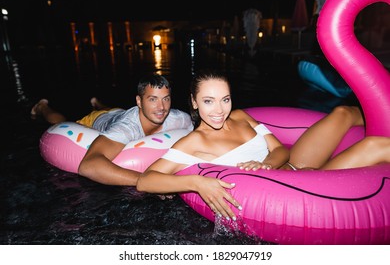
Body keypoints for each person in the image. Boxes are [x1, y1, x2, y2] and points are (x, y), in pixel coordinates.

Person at [136, 70, 390, 220]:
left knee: (343, 112)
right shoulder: (194, 142)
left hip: (293, 166)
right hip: (298, 192)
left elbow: (281, 149)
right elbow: (146, 180)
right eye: (209, 101)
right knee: (376, 147)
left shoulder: (240, 116)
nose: (219, 110)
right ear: (194, 102)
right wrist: (196, 182)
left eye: (225, 99)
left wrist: (265, 164)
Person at [31, 73, 194, 186]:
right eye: (153, 99)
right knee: (62, 121)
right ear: (139, 101)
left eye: (166, 99)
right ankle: (42, 107)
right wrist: (148, 181)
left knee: (116, 111)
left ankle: (97, 102)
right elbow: (88, 166)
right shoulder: (125, 128)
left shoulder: (179, 118)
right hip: (98, 119)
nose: (161, 107)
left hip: (119, 113)